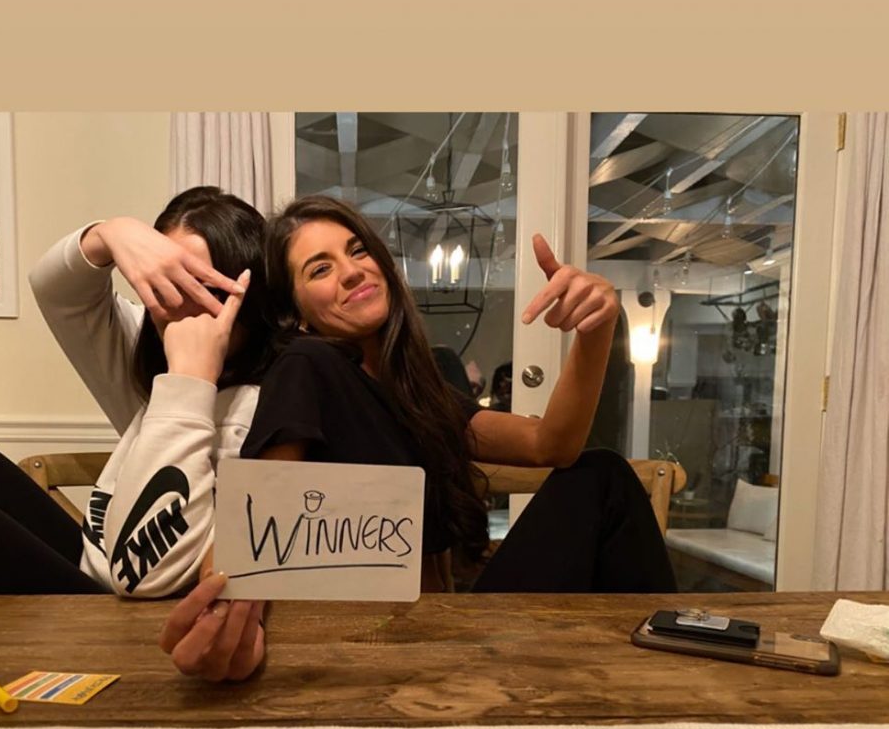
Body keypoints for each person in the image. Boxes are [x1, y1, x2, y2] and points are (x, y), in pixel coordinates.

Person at [233, 196, 676, 602]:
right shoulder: (305, 364)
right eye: (320, 269)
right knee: (605, 479)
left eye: (358, 250)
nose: (351, 271)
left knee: (601, 476)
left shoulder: (413, 389)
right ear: (296, 313)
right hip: (373, 637)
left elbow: (551, 445)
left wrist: (596, 330)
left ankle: (658, 639)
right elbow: (258, 537)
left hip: (444, 617)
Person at [0, 190, 271, 625]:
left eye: (205, 287)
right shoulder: (151, 351)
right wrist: (111, 233)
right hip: (94, 567)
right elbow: (57, 290)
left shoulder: (266, 402)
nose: (181, 307)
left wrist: (191, 379)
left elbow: (144, 572)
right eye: (166, 284)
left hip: (138, 612)